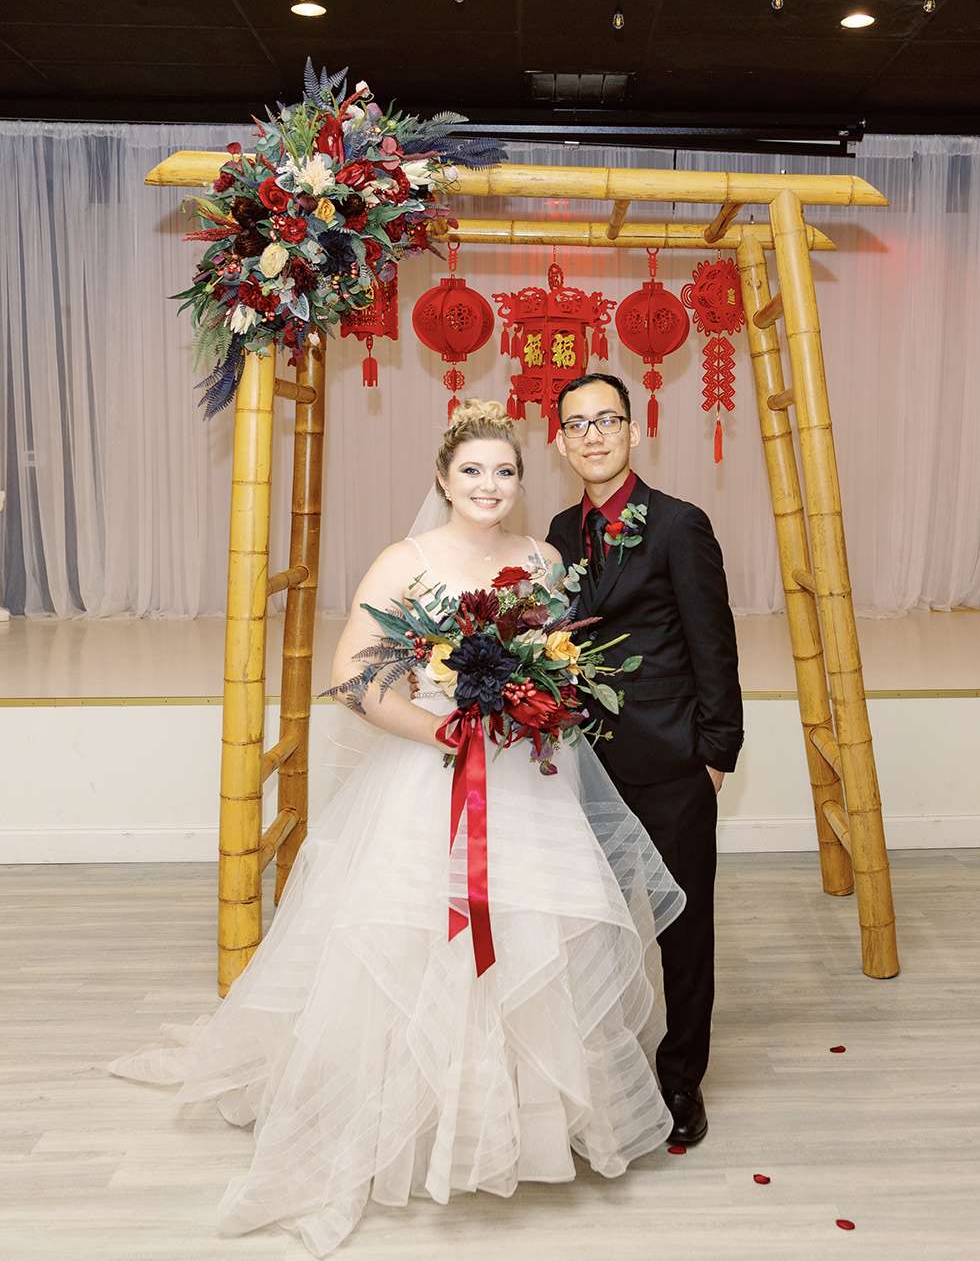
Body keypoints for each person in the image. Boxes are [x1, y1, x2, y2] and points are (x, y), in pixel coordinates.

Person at [108, 400, 687, 1258]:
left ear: (522, 481)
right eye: (472, 471)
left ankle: (520, 1124)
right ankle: (412, 1124)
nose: (489, 485)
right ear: (443, 479)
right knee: (415, 946)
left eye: (504, 471)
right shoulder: (404, 561)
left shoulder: (542, 558)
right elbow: (352, 674)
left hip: (528, 782)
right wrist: (441, 730)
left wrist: (532, 697)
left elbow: (563, 661)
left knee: (533, 941)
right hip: (431, 775)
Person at [546, 373, 743, 1148]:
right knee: (596, 926)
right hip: (584, 768)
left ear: (634, 430)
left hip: (672, 763)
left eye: (607, 420)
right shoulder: (559, 533)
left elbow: (713, 644)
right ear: (560, 441)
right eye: (578, 424)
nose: (593, 435)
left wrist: (714, 755)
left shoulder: (679, 524)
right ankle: (609, 1070)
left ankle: (681, 1078)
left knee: (684, 933)